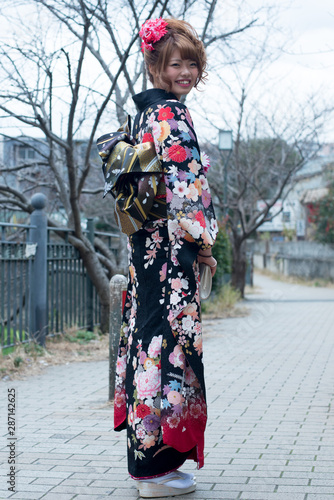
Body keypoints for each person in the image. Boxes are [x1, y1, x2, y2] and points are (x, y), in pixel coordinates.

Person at [113, 17, 218, 498]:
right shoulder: (171, 117)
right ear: (156, 65)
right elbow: (184, 191)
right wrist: (204, 245)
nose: (186, 72)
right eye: (176, 63)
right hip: (171, 249)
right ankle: (155, 471)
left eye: (192, 63)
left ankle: (148, 465)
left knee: (146, 341)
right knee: (166, 344)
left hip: (144, 248)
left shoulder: (141, 117)